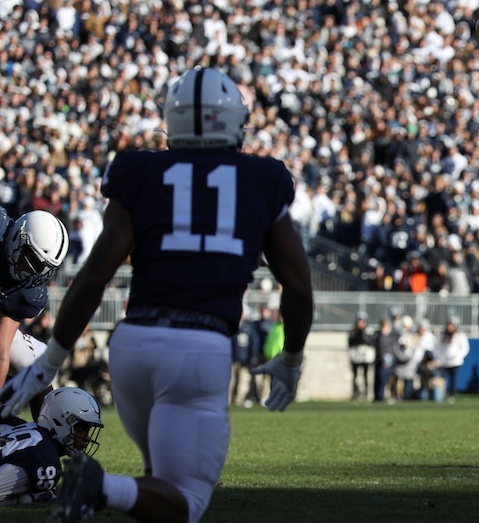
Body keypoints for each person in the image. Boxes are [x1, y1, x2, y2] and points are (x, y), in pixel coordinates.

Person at [0, 67, 314, 523]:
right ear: (236, 124)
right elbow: (299, 285)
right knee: (185, 499)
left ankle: (107, 489)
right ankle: (98, 486)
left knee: (156, 482)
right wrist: (291, 358)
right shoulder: (263, 178)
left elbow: (93, 277)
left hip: (132, 347)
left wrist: (50, 361)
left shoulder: (138, 169)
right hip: (199, 349)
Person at [0, 209, 70, 420]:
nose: (32, 271)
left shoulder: (28, 292)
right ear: (17, 238)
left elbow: (2, 351)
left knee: (37, 362)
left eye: (42, 267)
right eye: (31, 260)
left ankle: (44, 443)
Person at [0, 387, 103, 506]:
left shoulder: (27, 428)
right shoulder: (43, 457)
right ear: (60, 422)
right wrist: (27, 499)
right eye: (82, 429)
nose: (87, 438)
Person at [433, 315, 470, 403]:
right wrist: (439, 357)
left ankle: (452, 395)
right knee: (442, 379)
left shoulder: (460, 335)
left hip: (455, 361)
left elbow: (465, 348)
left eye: (452, 325)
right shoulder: (442, 335)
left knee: (453, 379)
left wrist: (458, 356)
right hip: (443, 361)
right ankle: (440, 395)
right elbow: (437, 347)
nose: (450, 327)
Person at [347, 311, 376, 401]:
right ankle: (355, 394)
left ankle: (367, 394)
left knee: (366, 376)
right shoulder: (353, 332)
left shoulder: (369, 331)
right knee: (355, 377)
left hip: (365, 358)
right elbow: (351, 342)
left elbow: (371, 342)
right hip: (356, 357)